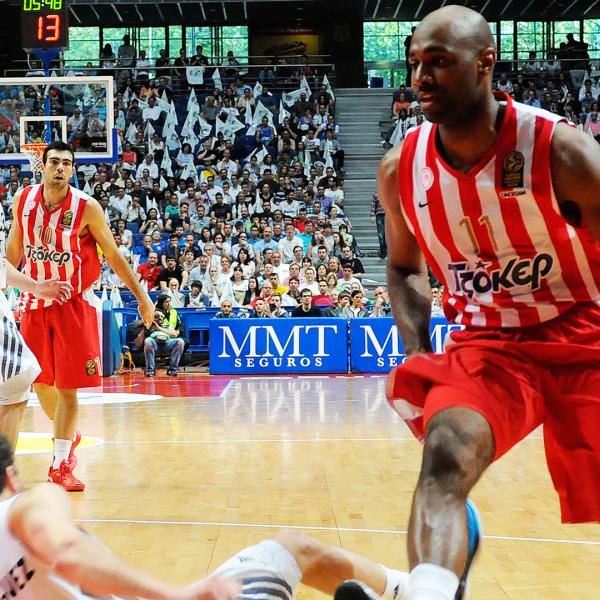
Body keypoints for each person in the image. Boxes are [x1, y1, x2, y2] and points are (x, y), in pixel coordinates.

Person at [339, 7, 600, 600]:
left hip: (585, 329)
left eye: (438, 62)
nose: (421, 78)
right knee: (446, 452)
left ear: (486, 63)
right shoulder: (401, 168)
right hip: (490, 343)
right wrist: (416, 351)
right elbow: (403, 266)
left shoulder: (563, 152)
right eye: (414, 64)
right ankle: (433, 591)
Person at [6, 141, 155, 492]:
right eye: (54, 162)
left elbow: (114, 255)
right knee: (38, 380)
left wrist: (142, 297)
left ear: (72, 170)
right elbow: (13, 251)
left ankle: (60, 463)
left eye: (67, 164)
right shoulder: (23, 201)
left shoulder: (87, 207)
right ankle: (68, 436)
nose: (60, 168)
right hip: (34, 300)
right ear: (42, 166)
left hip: (74, 301)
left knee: (68, 387)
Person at [143, 310, 185, 377]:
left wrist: (158, 328)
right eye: (157, 316)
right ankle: (150, 370)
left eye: (161, 316)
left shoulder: (167, 326)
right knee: (148, 340)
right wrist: (144, 328)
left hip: (167, 344)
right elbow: (138, 344)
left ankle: (173, 369)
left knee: (180, 341)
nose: (160, 318)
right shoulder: (148, 327)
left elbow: (174, 335)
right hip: (154, 345)